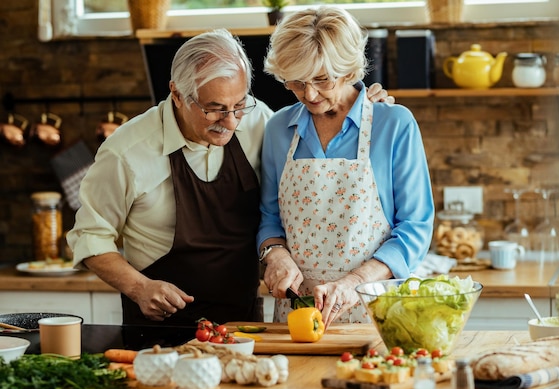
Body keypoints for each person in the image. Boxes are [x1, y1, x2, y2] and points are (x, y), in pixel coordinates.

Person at [67, 28, 391, 326]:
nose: (231, 121)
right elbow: (90, 237)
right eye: (214, 108)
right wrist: (139, 287)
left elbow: (314, 125)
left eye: (239, 105)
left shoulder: (259, 121)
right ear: (177, 94)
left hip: (245, 324)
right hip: (161, 329)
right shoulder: (126, 153)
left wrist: (360, 106)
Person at [257, 6, 435, 327]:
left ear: (349, 69)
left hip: (377, 306)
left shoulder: (393, 124)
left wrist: (355, 282)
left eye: (322, 79)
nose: (309, 94)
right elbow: (270, 218)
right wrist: (275, 255)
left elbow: (416, 226)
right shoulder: (278, 129)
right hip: (299, 313)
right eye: (295, 82)